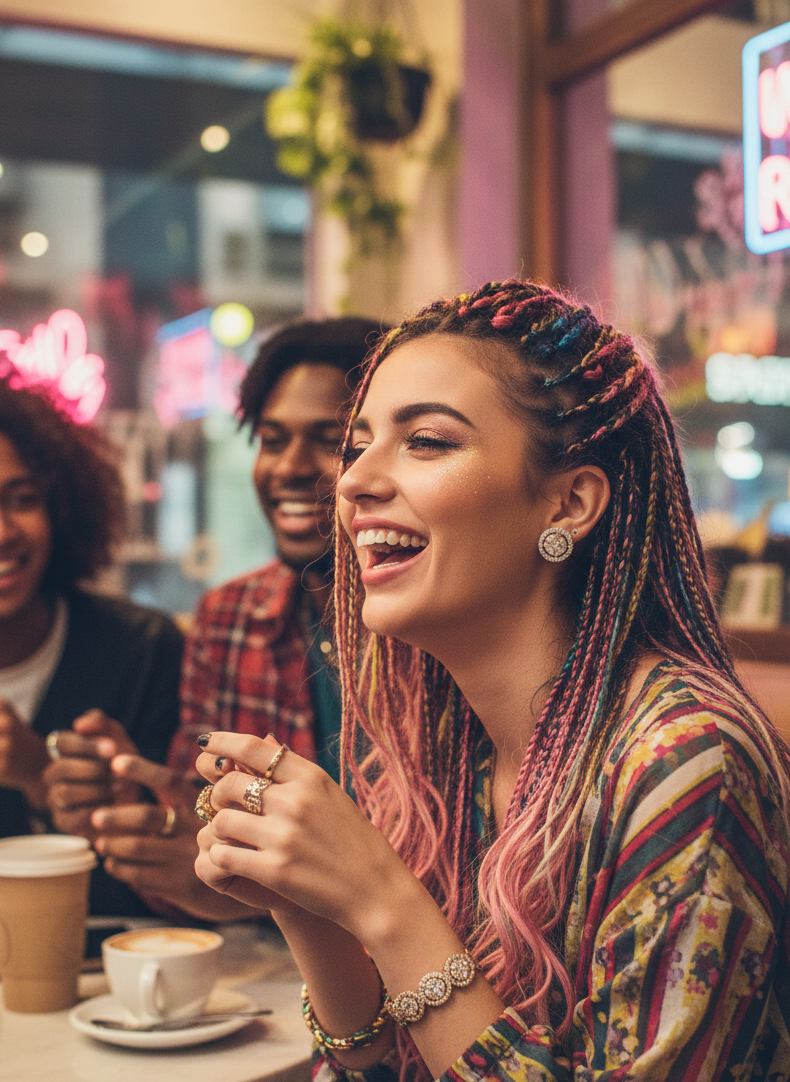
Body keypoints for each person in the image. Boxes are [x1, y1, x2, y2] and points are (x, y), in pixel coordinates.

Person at [192, 281, 790, 1082]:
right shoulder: (438, 744)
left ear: (569, 503)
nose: (353, 481)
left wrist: (383, 900)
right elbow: (382, 1066)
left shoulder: (684, 762)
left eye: (426, 441)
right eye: (359, 444)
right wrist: (306, 905)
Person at [46, 317, 383, 920]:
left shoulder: (437, 627)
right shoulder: (229, 620)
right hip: (276, 965)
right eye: (272, 440)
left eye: (330, 441)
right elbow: (199, 844)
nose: (289, 466)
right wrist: (144, 813)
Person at [0, 376, 183, 915]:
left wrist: (42, 776)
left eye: (21, 499)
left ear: (61, 508)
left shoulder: (140, 651)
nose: (3, 532)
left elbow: (170, 888)